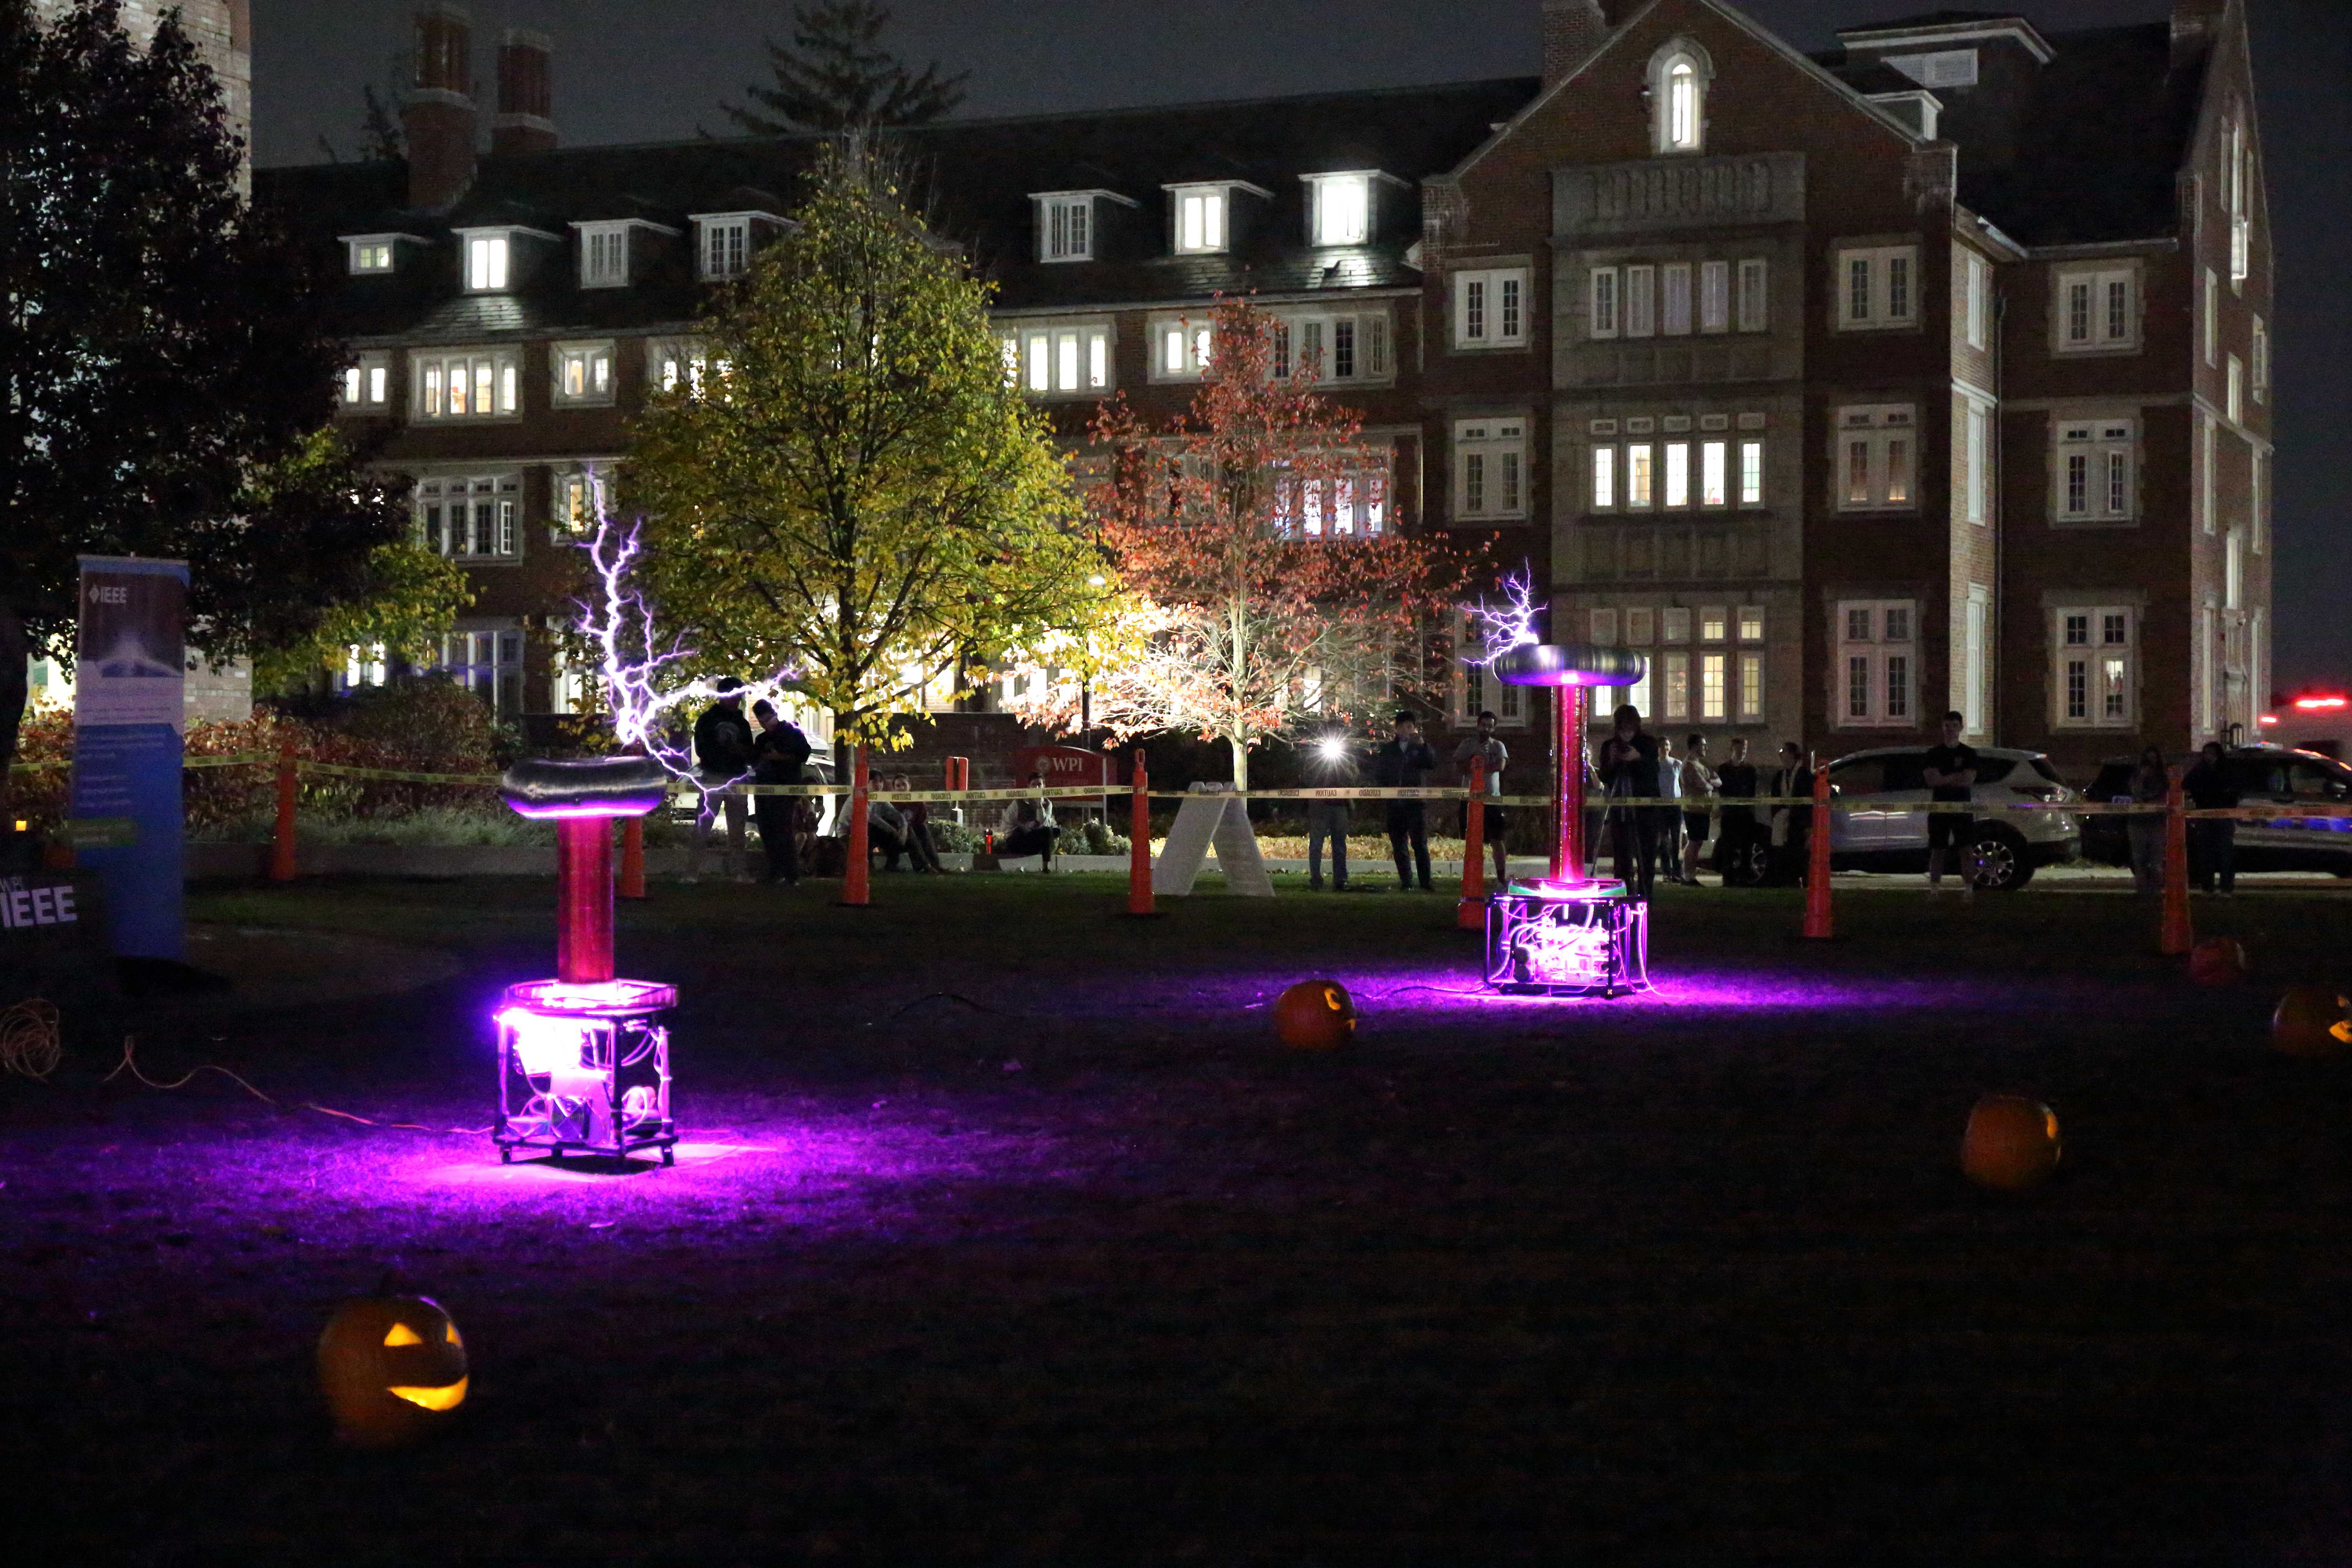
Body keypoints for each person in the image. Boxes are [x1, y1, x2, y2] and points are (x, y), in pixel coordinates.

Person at [686, 677, 755, 883]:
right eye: (735, 697)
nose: (737, 701)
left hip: (736, 777)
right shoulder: (707, 720)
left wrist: (740, 751)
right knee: (703, 826)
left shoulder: (741, 723)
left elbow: (749, 752)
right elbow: (701, 749)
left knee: (737, 829)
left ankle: (739, 872)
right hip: (714, 776)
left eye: (739, 697)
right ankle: (692, 872)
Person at [1597, 704, 1662, 896]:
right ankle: (1623, 893)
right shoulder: (1610, 746)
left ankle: (1645, 894)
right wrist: (1611, 760)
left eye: (1630, 729)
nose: (1627, 735)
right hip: (1621, 809)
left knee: (1647, 855)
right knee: (1622, 856)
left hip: (1646, 809)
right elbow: (1606, 777)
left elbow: (1653, 771)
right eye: (1623, 729)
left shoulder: (1648, 744)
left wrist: (1638, 759)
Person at [748, 699, 812, 885]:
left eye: (767, 720)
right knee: (767, 832)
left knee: (784, 833)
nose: (766, 725)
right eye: (762, 722)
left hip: (785, 790)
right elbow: (756, 760)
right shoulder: (761, 739)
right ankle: (775, 872)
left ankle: (791, 875)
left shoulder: (792, 734)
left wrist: (780, 758)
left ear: (775, 716)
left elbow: (804, 754)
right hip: (764, 791)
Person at [1372, 711, 1437, 891]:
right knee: (1399, 844)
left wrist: (1423, 746)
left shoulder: (1420, 748)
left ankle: (1425, 882)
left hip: (1416, 804)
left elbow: (1431, 763)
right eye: (1402, 727)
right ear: (1396, 729)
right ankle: (1406, 881)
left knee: (1419, 843)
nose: (1406, 730)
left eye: (1410, 727)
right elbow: (1380, 773)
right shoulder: (1388, 750)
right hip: (1395, 804)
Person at [1922, 709, 1980, 898]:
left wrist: (1944, 778)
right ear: (1943, 728)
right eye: (1947, 726)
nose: (1951, 730)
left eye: (1955, 726)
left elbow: (1969, 779)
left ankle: (1969, 891)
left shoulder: (1969, 754)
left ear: (1961, 728)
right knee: (1938, 850)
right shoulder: (1933, 754)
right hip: (1939, 807)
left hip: (1962, 807)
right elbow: (1931, 780)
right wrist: (1957, 777)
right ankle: (1934, 891)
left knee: (1967, 850)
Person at [1452, 709, 1510, 889]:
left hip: (1492, 799)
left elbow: (1500, 766)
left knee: (1497, 839)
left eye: (1490, 727)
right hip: (1470, 798)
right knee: (1471, 840)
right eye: (1483, 725)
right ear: (1478, 725)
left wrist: (1479, 766)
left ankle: (1501, 878)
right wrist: (1473, 766)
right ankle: (1472, 876)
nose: (1486, 729)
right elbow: (1458, 766)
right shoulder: (1467, 745)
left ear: (1494, 729)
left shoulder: (1498, 746)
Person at [2184, 739, 2238, 895]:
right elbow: (2186, 783)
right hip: (2204, 814)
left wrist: (2227, 800)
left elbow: (2234, 788)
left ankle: (2226, 886)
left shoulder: (2226, 769)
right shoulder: (2201, 769)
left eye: (2211, 753)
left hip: (2222, 814)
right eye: (2206, 753)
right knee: (2205, 852)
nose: (2208, 757)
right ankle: (2207, 886)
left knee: (2225, 851)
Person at [1307, 731, 1357, 892]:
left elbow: (1354, 779)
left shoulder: (1347, 758)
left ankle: (1340, 879)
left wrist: (1340, 764)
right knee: (1316, 844)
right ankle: (1315, 877)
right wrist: (1323, 765)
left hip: (1340, 805)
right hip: (1319, 806)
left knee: (1340, 844)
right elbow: (1308, 779)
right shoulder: (1314, 758)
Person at [2125, 744, 2169, 898]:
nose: (2152, 762)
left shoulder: (2164, 777)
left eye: (2154, 758)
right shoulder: (2137, 776)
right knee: (2139, 858)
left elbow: (2165, 795)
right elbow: (2135, 793)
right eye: (2149, 758)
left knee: (2156, 858)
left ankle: (2156, 889)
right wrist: (2142, 778)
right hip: (2138, 821)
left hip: (2157, 821)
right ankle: (2142, 890)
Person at [1768, 741, 1813, 887]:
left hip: (1799, 820)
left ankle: (1805, 880)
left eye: (1785, 752)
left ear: (1793, 754)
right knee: (1785, 851)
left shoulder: (1804, 774)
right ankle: (1790, 881)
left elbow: (1808, 800)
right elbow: (1774, 798)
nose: (1782, 755)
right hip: (1783, 819)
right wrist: (1776, 816)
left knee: (1800, 852)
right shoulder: (1780, 775)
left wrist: (1808, 825)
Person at [1714, 736, 1758, 885]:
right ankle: (1729, 878)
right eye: (1739, 750)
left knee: (1747, 848)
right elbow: (1723, 790)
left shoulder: (1750, 770)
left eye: (1744, 750)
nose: (1742, 753)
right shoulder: (1724, 769)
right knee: (1729, 848)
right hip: (1730, 814)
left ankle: (1745, 877)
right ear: (1732, 750)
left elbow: (1752, 791)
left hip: (1746, 814)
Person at [1680, 733, 1719, 886]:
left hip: (1702, 809)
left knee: (1698, 843)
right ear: (1695, 746)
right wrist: (1709, 783)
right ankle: (1688, 876)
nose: (1706, 748)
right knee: (1694, 842)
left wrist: (1709, 782)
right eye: (1703, 745)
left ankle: (1690, 875)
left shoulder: (1702, 765)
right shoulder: (1689, 765)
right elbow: (1704, 785)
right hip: (1693, 809)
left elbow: (1718, 782)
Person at [1002, 773, 1057, 871]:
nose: (1037, 788)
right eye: (1034, 785)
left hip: (1033, 840)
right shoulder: (1019, 802)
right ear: (1029, 787)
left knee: (1050, 831)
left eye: (1039, 785)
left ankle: (1046, 868)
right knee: (1019, 831)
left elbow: (1044, 824)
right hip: (1017, 841)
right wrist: (1025, 827)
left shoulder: (1047, 804)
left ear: (1044, 786)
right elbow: (1008, 824)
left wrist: (1039, 805)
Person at [1653, 734, 1685, 884]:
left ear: (1670, 747)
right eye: (1662, 746)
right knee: (1664, 841)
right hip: (1661, 807)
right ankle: (1666, 871)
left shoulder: (1677, 764)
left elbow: (1681, 784)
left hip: (1676, 806)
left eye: (1667, 745)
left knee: (1676, 841)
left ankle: (1677, 872)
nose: (1664, 748)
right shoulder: (1654, 765)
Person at [898, 774, 944, 873]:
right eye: (898, 786)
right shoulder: (892, 802)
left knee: (923, 830)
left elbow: (921, 820)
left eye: (904, 785)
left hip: (914, 831)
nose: (901, 788)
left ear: (909, 786)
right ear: (894, 788)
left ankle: (935, 865)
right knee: (909, 832)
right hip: (899, 833)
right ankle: (923, 866)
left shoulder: (917, 802)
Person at [867, 780, 913, 871]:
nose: (878, 784)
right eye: (875, 782)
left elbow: (896, 814)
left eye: (880, 781)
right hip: (860, 831)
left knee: (906, 833)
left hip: (877, 830)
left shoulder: (881, 798)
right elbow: (874, 819)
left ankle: (892, 866)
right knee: (872, 829)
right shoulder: (862, 797)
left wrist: (904, 826)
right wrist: (894, 831)